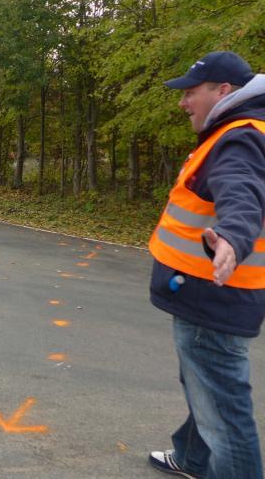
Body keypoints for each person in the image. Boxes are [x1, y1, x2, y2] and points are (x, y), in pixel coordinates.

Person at [148, 51, 265, 478]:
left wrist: (233, 236)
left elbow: (241, 190)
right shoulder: (245, 130)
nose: (183, 102)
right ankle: (193, 459)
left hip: (211, 294)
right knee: (205, 386)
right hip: (217, 293)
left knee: (224, 414)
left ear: (223, 91)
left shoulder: (240, 137)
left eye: (191, 92)